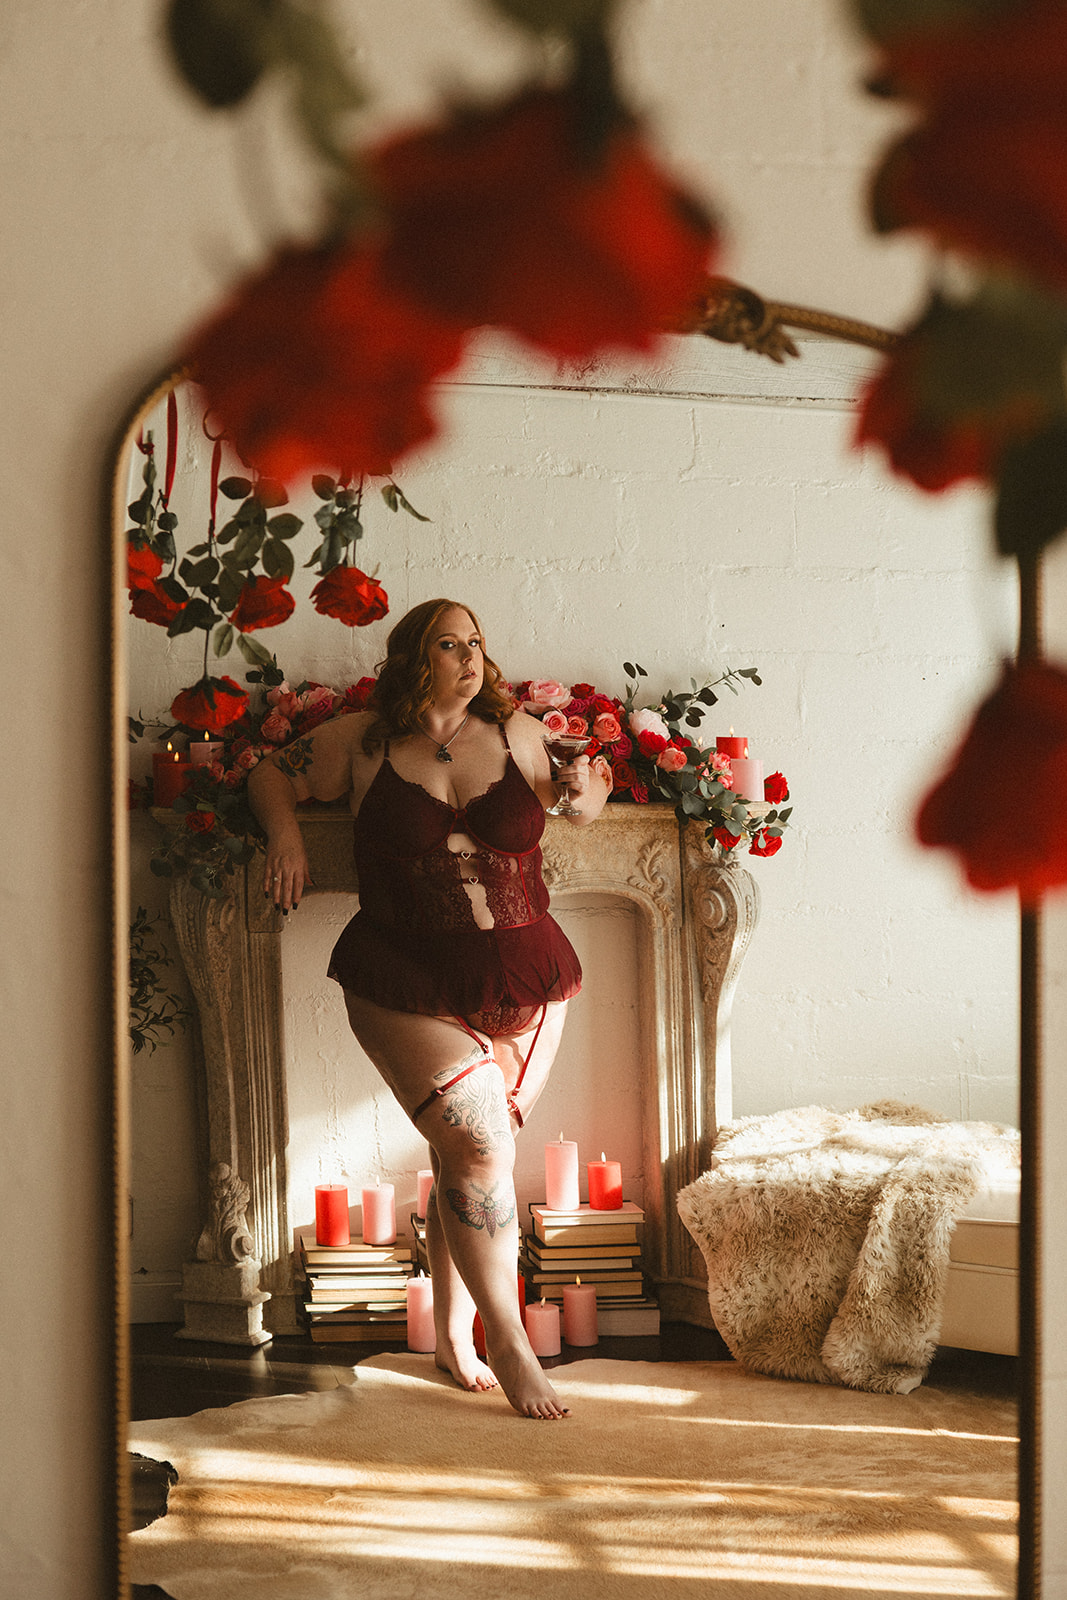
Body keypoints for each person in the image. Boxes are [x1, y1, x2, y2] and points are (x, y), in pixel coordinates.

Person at [247, 598, 611, 1418]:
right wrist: (287, 837)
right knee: (480, 1145)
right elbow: (270, 773)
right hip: (403, 973)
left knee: (469, 1154)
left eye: (477, 641)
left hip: (529, 973)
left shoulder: (518, 733)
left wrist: (586, 791)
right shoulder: (362, 742)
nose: (470, 656)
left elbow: (580, 797)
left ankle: (450, 1333)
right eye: (450, 644)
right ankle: (509, 1343)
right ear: (415, 656)